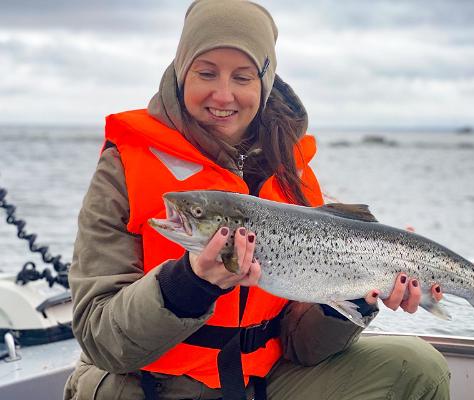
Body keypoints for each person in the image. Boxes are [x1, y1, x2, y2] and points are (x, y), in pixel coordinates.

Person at [64, 1, 450, 399]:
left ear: (263, 85)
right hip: (146, 387)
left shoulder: (291, 174)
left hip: (256, 385)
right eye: (206, 72)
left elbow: (303, 347)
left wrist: (355, 297)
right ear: (181, 74)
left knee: (417, 367)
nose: (224, 93)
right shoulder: (123, 168)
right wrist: (191, 283)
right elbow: (102, 341)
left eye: (243, 77)